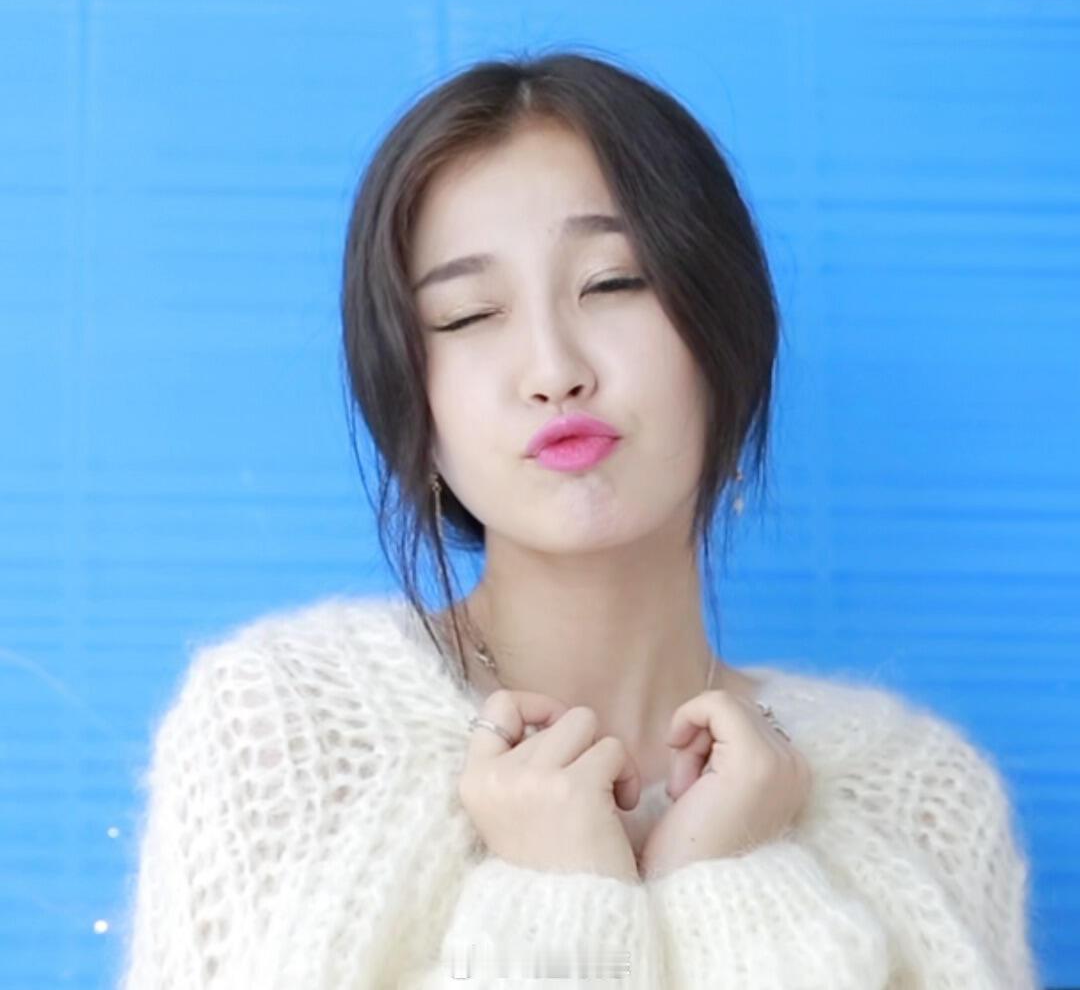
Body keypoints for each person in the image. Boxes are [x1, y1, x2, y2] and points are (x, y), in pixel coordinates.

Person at [117, 49, 1041, 988]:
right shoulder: (283, 732)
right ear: (410, 401)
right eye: (468, 315)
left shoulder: (923, 796)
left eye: (613, 284)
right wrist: (557, 898)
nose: (554, 370)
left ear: (723, 336)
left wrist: (726, 879)